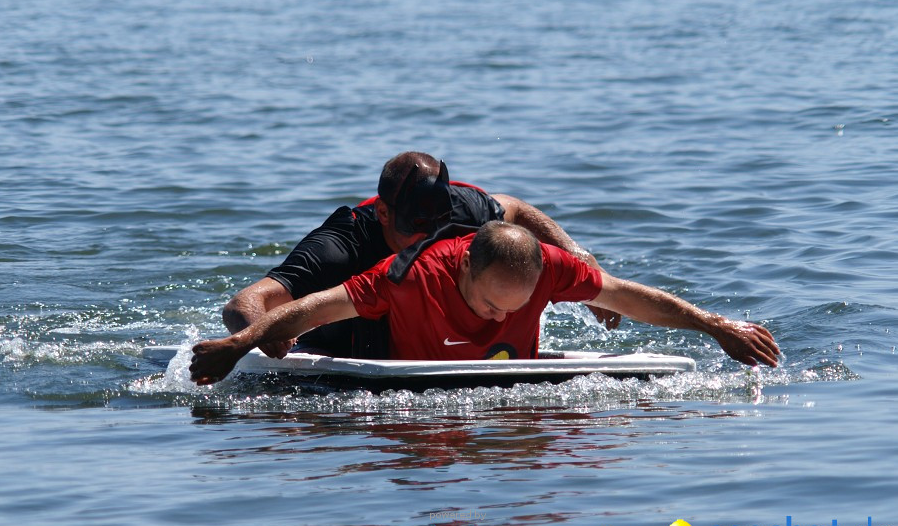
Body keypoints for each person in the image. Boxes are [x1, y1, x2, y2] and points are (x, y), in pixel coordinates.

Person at [191, 221, 780, 385]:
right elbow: (315, 308)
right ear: (465, 268)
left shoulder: (551, 268)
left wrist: (715, 326)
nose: (500, 316)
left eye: (513, 308)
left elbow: (633, 298)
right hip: (379, 348)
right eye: (490, 305)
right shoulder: (411, 274)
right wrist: (240, 345)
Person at [221, 151, 619, 360]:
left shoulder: (460, 210)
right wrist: (270, 341)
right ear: (383, 213)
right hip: (344, 340)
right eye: (415, 230)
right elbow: (244, 304)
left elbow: (512, 208)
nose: (431, 243)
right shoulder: (338, 247)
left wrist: (579, 256)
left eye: (439, 228)